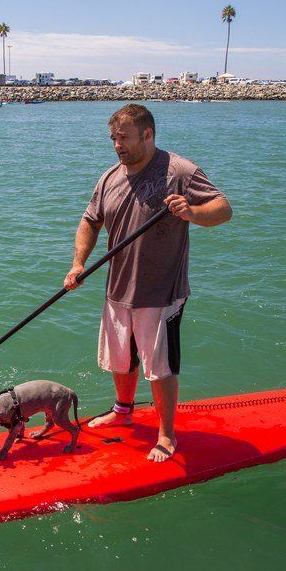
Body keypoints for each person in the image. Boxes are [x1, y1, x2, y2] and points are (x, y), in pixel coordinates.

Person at [63, 103, 232, 463]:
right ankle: (123, 410)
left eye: (124, 138)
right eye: (113, 139)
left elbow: (223, 208)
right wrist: (78, 263)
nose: (117, 146)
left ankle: (167, 434)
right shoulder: (109, 177)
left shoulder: (179, 171)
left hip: (161, 291)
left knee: (160, 366)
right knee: (121, 358)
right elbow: (90, 222)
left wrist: (191, 211)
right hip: (118, 288)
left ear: (148, 134)